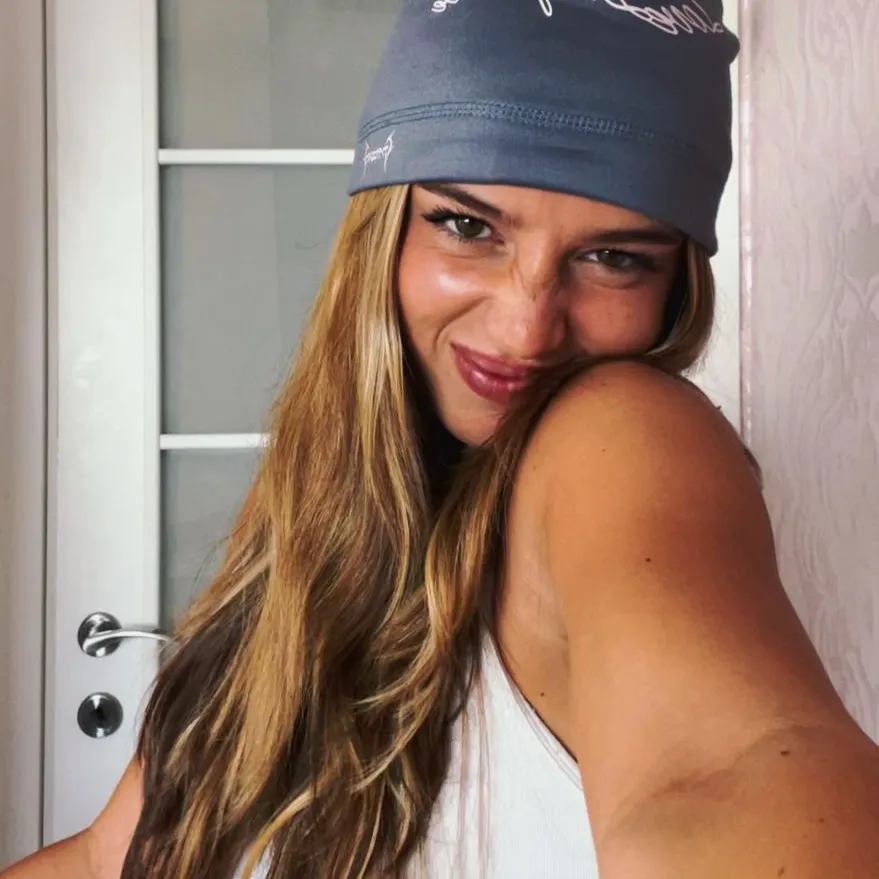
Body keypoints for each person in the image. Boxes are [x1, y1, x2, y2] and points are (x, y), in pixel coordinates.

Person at [6, 1, 879, 877]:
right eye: (468, 225)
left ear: (672, 289)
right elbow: (103, 857)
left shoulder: (620, 436)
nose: (527, 327)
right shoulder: (316, 521)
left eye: (614, 257)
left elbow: (732, 772)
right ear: (384, 229)